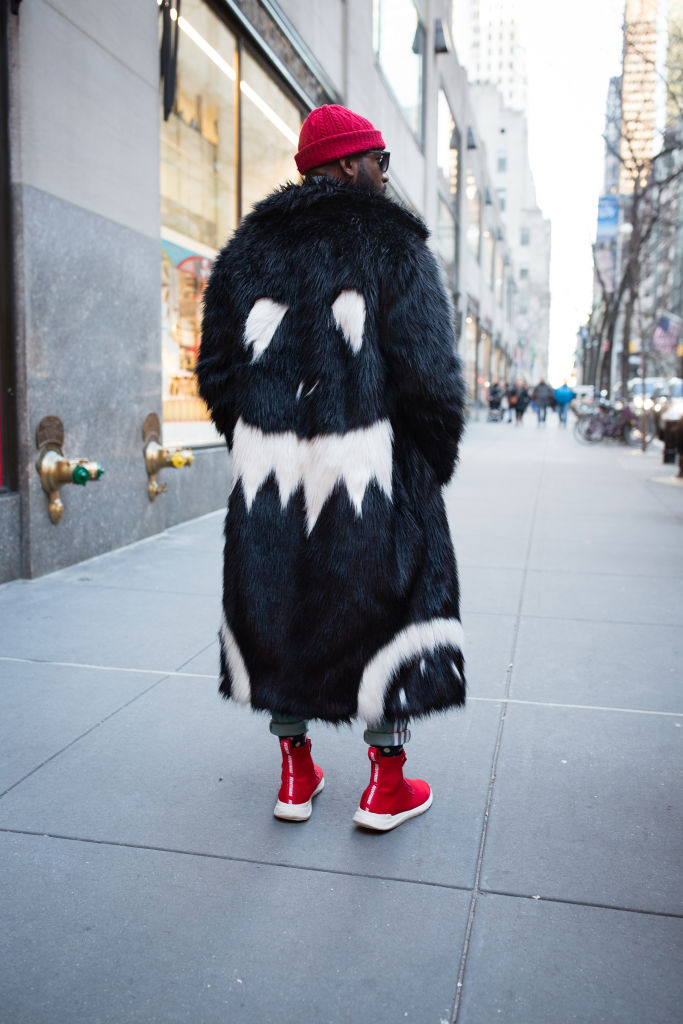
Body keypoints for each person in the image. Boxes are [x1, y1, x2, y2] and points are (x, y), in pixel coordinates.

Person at [197, 104, 466, 832]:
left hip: (271, 478)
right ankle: (384, 785)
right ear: (347, 164)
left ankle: (295, 773)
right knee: (388, 607)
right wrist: (425, 466)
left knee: (277, 603)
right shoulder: (394, 247)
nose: (386, 170)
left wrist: (259, 439)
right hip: (375, 471)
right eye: (379, 157)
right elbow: (431, 379)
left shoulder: (245, 252)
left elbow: (216, 375)